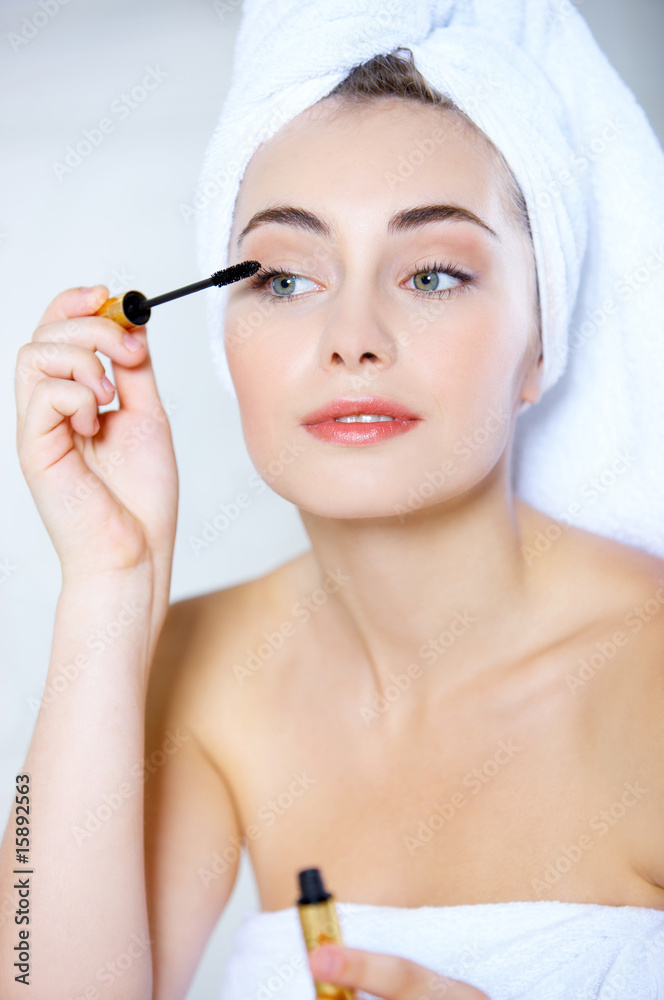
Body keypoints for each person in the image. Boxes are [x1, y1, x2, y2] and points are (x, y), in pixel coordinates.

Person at [3, 16, 664, 1000]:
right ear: (227, 342)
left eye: (433, 273)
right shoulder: (202, 669)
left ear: (539, 343)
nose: (353, 336)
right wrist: (108, 585)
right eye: (284, 278)